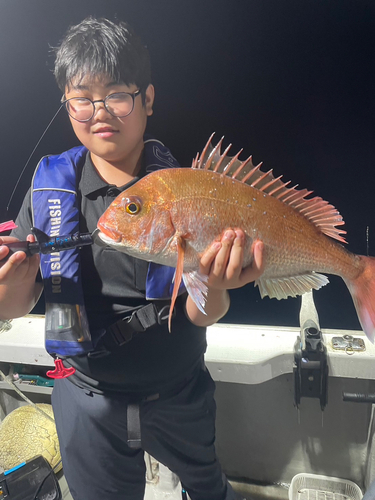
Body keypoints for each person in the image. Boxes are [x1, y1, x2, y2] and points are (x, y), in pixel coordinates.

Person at [0, 17, 264, 500]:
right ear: (67, 102)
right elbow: (13, 306)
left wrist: (218, 286)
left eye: (118, 94)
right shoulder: (48, 192)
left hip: (179, 391)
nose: (100, 111)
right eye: (82, 97)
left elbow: (199, 311)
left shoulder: (183, 193)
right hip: (85, 397)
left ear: (147, 99)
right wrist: (7, 279)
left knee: (209, 489)